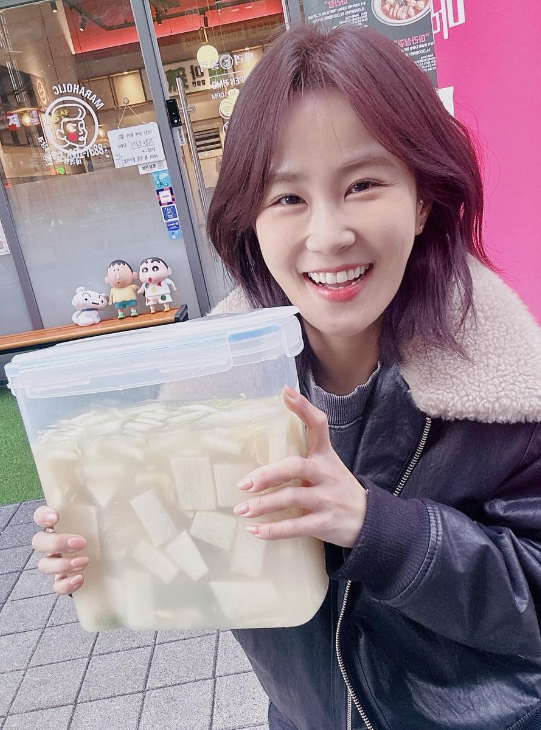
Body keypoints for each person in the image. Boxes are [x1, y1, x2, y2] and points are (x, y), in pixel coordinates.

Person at [32, 24, 541, 730]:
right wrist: (108, 545)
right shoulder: (215, 390)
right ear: (251, 218)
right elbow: (204, 563)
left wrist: (375, 527)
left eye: (363, 184)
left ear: (422, 199)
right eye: (287, 198)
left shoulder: (510, 386)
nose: (328, 236)